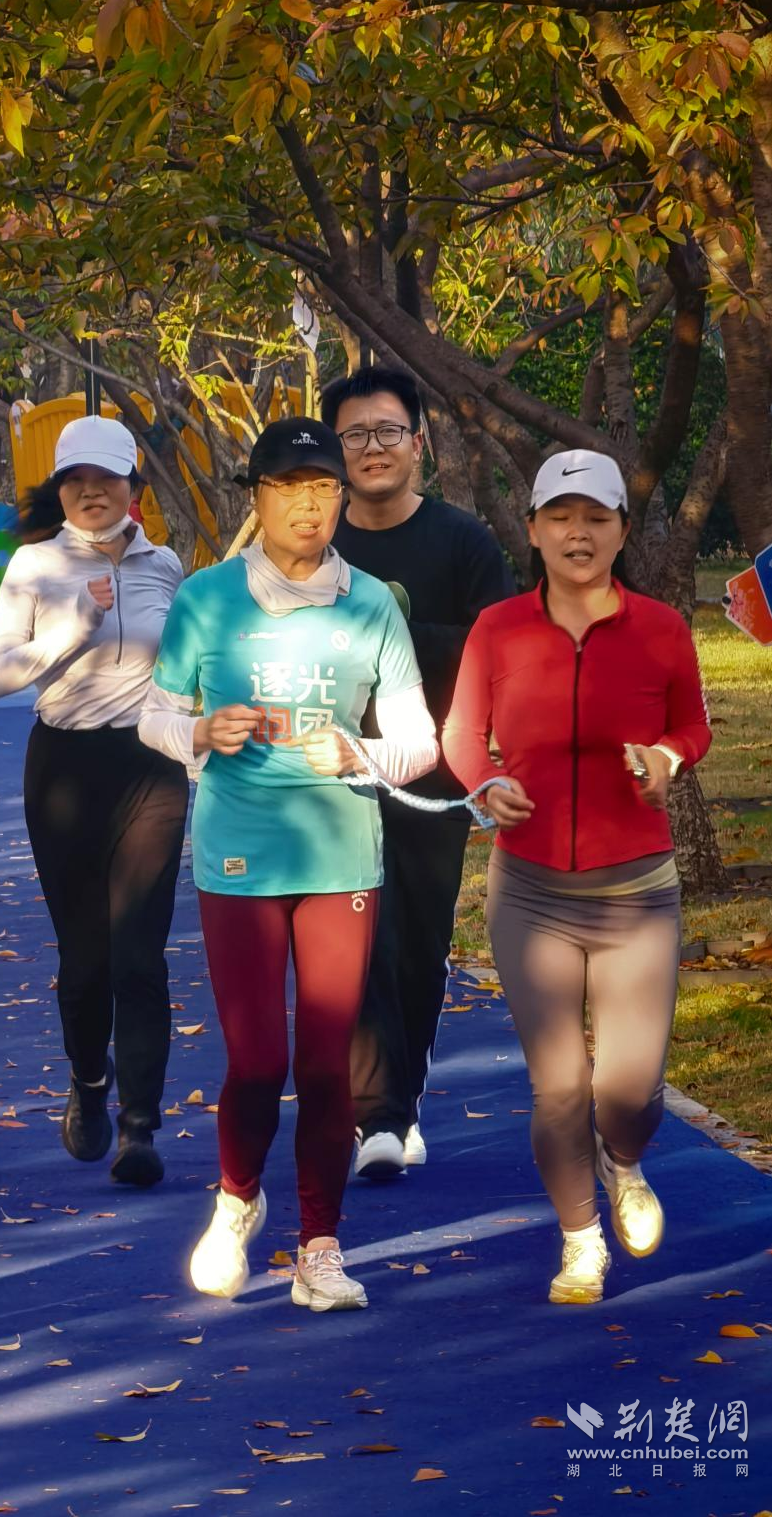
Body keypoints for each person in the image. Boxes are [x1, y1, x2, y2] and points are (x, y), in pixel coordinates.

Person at [139, 417, 438, 1311]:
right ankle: (237, 1197)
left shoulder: (371, 604)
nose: (308, 506)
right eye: (288, 488)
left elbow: (419, 741)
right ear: (257, 497)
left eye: (322, 488)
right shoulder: (206, 598)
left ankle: (320, 1245)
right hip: (237, 853)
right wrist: (199, 730)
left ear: (341, 497)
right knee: (258, 1059)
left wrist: (360, 754)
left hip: (341, 857)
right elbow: (153, 717)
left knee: (324, 1063)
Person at [443, 450, 711, 1305]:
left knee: (626, 1090)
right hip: (530, 892)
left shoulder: (660, 628)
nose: (577, 533)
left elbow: (693, 725)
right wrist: (485, 782)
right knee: (559, 1086)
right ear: (532, 530)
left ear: (621, 531)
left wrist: (666, 758)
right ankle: (580, 1240)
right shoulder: (497, 628)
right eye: (559, 517)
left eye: (596, 517)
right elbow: (460, 735)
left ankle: (622, 1159)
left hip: (635, 891)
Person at [320, 368, 516, 1180]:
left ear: (418, 444)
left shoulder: (462, 541)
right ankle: (380, 1116)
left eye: (387, 431)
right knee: (357, 939)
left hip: (433, 769)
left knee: (419, 944)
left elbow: (497, 645)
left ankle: (398, 1099)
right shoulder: (317, 542)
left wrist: (399, 629)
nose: (372, 447)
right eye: (354, 434)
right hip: (329, 775)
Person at [0, 416, 187, 1188]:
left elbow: (188, 662)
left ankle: (139, 1125)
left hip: (149, 766)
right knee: (85, 960)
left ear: (134, 486)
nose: (92, 491)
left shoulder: (165, 564)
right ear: (60, 488)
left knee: (139, 953)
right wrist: (72, 625)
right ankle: (88, 1080)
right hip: (64, 768)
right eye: (77, 480)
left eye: (107, 478)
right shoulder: (34, 565)